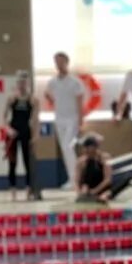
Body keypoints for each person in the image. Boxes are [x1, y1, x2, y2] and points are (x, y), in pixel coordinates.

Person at [45, 52, 86, 189]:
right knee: (65, 148)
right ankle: (72, 178)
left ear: (66, 62)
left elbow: (80, 102)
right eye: (56, 62)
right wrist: (53, 101)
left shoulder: (75, 82)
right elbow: (47, 94)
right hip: (59, 118)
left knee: (68, 146)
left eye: (61, 62)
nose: (59, 64)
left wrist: (80, 120)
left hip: (72, 119)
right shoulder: (53, 82)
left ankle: (76, 179)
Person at [4, 71, 40, 199]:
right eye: (20, 82)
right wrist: (8, 129)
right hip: (13, 132)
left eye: (24, 82)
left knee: (27, 162)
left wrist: (35, 136)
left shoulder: (33, 99)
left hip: (26, 131)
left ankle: (28, 189)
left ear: (28, 83)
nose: (22, 85)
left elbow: (35, 119)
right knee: (12, 162)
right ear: (17, 83)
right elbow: (4, 118)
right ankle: (13, 189)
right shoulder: (11, 98)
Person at [75, 134, 113, 202]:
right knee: (89, 163)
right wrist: (79, 193)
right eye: (86, 152)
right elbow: (76, 180)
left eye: (91, 152)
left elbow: (108, 180)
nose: (89, 154)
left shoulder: (104, 158)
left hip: (102, 187)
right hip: (88, 188)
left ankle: (103, 195)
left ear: (96, 149)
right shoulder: (81, 161)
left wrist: (94, 191)